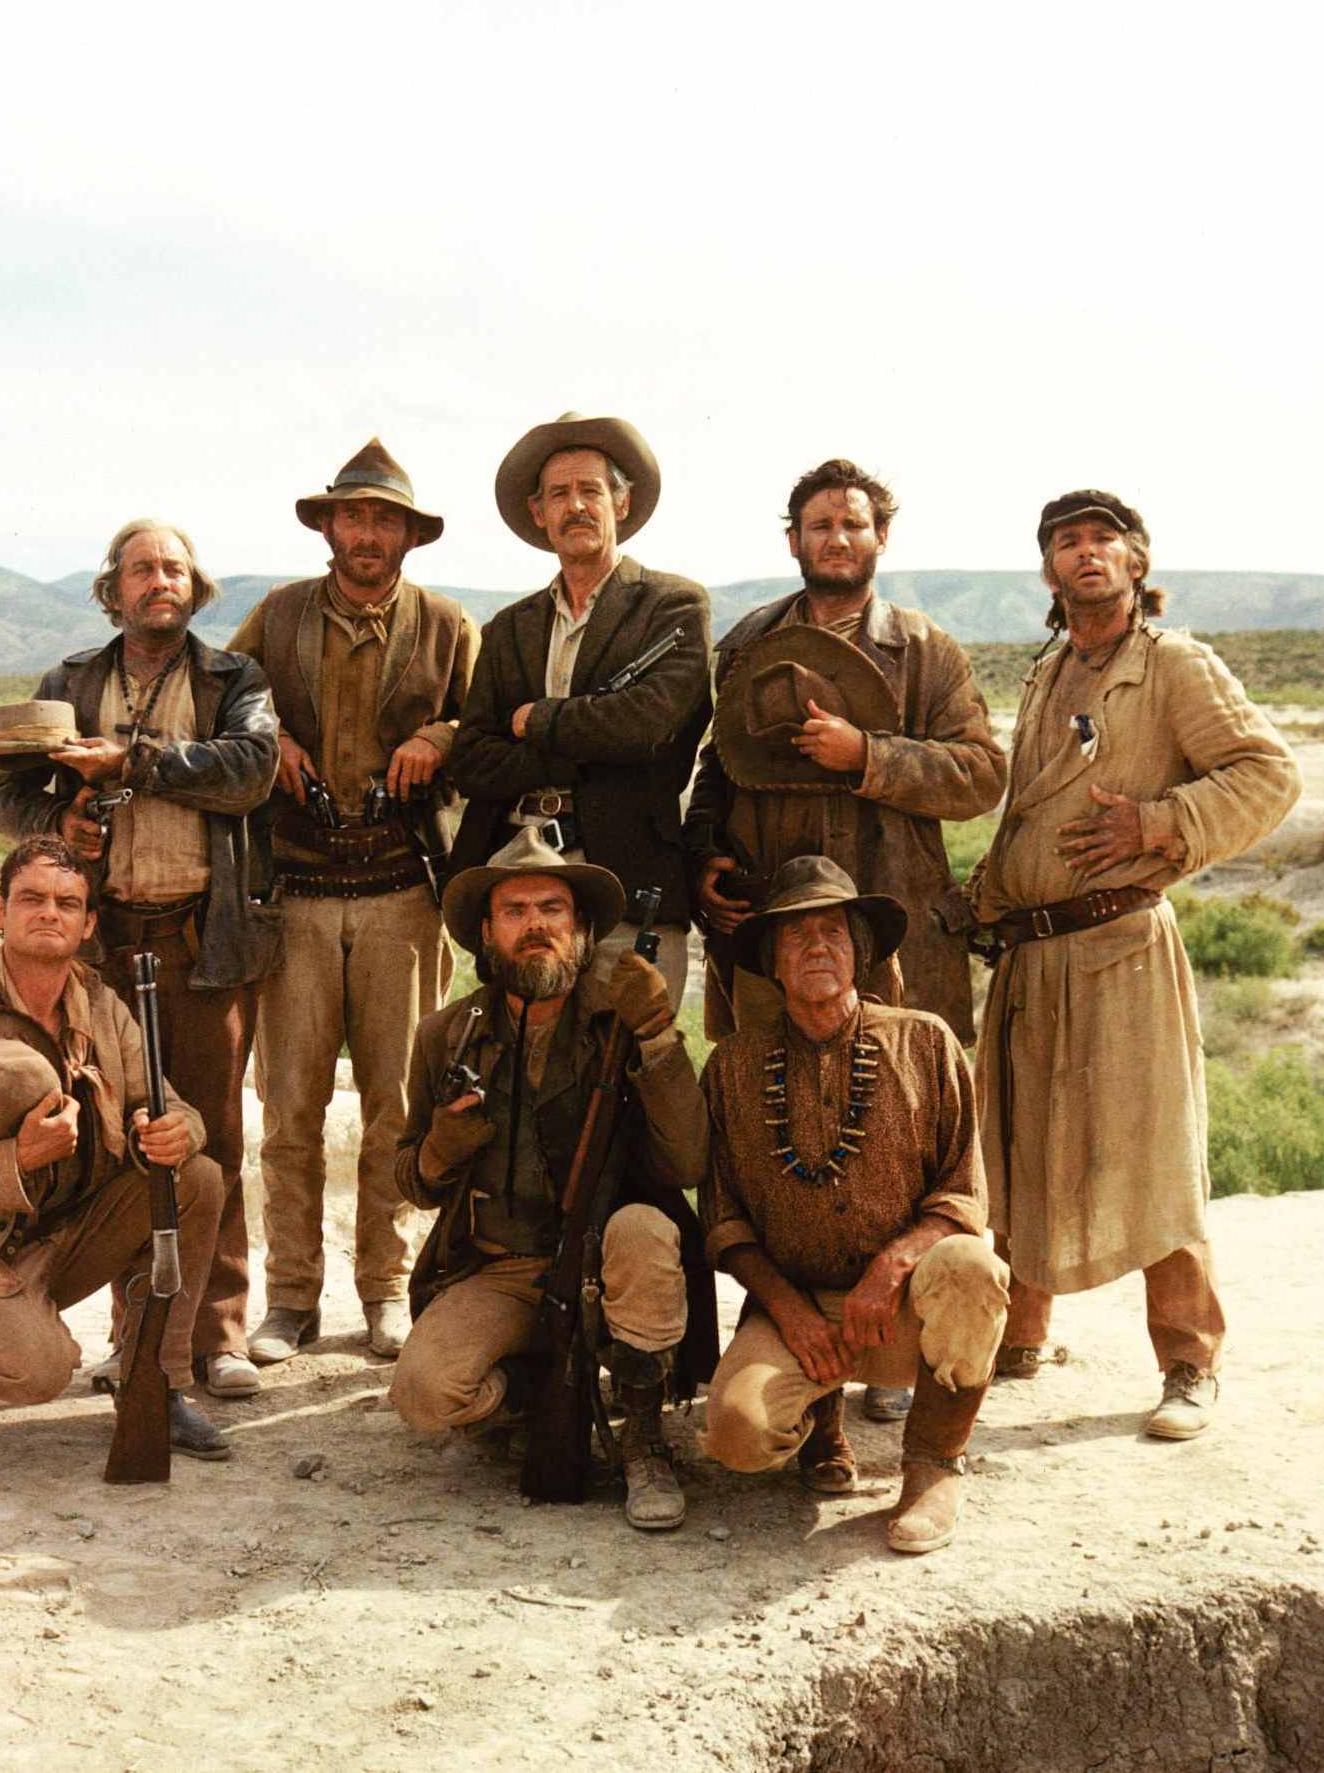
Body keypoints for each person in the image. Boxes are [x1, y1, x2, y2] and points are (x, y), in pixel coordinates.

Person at [964, 490, 1302, 1438]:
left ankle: (1189, 1361)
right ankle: (1020, 1334)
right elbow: (1023, 817)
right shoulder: (1046, 673)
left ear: (1137, 562)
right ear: (1048, 571)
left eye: (1103, 540)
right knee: (1023, 1145)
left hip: (1121, 946)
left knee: (1151, 1153)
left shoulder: (1174, 663)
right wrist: (981, 905)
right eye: (1066, 543)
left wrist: (1161, 824)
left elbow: (1268, 772)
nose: (1085, 555)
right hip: (1033, 953)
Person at [685, 459, 1005, 1424]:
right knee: (774, 1137)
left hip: (892, 927)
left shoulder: (925, 651)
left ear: (880, 538)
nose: (836, 537)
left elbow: (981, 773)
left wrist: (867, 756)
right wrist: (706, 858)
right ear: (792, 538)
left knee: (902, 1135)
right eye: (818, 523)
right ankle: (792, 1352)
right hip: (773, 939)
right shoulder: (749, 642)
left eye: (854, 523)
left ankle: (908, 1348)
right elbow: (717, 772)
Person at [0, 519, 279, 1398]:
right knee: (115, 1142)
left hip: (202, 941)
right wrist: (57, 826)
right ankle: (131, 1338)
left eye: (177, 568)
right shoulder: (70, 682)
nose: (162, 581)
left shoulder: (233, 679)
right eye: (144, 568)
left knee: (208, 1137)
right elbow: (3, 791)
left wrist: (135, 761)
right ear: (114, 589)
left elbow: (251, 769)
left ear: (197, 586)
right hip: (97, 951)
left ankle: (215, 1337)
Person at [223, 440, 480, 1364]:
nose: (367, 534)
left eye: (385, 520)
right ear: (328, 525)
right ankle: (290, 1299)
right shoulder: (279, 614)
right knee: (288, 1109)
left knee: (397, 1107)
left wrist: (439, 739)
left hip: (400, 893)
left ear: (410, 537)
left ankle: (387, 1291)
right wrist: (272, 737)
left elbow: (490, 722)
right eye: (353, 515)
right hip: (292, 891)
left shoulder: (447, 625)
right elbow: (224, 702)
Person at [389, 829, 719, 1531]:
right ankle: (535, 1398)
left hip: (606, 1254)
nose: (535, 924)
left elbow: (689, 1159)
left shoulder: (621, 1021)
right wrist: (441, 1150)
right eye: (514, 910)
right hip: (500, 1268)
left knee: (646, 1229)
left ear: (582, 928)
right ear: (486, 933)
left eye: (552, 908)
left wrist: (658, 1031)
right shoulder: (446, 1035)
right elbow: (409, 1181)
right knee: (423, 1391)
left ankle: (643, 1435)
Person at [0, 837, 230, 1460]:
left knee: (197, 1178)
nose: (48, 913)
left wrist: (173, 1131)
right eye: (30, 898)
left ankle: (153, 1382)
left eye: (66, 902)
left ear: (88, 926)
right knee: (38, 1374)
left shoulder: (106, 1010)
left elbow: (174, 1107)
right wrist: (12, 1161)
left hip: (66, 1235)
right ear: (0, 911)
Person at [697, 858, 1008, 1554]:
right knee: (738, 1434)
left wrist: (891, 1266)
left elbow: (964, 1193)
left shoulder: (925, 1041)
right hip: (797, 1309)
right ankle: (819, 1424)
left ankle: (933, 1463)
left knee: (972, 1266)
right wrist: (790, 1310)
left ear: (859, 952)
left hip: (901, 1309)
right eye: (797, 934)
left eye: (833, 931)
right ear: (772, 961)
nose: (817, 946)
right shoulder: (733, 1067)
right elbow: (724, 1222)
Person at [445, 411, 710, 1005]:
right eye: (559, 494)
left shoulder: (673, 607)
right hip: (522, 886)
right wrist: (585, 748)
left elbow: (649, 729)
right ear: (539, 513)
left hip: (631, 884)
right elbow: (473, 761)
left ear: (622, 502)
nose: (576, 506)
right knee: (530, 1069)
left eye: (591, 490)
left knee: (632, 1067)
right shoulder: (509, 627)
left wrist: (535, 723)